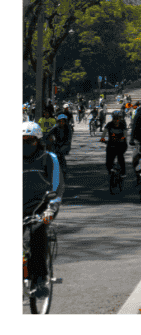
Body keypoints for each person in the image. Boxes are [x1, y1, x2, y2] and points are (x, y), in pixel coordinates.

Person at [23, 121, 63, 299]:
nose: (25, 145)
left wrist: (50, 208)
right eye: (21, 140)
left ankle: (40, 279)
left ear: (38, 141)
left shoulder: (49, 159)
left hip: (41, 208)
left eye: (29, 141)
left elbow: (57, 186)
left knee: (37, 231)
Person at [101, 109, 130, 181]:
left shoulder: (122, 125)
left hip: (121, 144)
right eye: (114, 118)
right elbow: (104, 133)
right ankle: (111, 170)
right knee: (108, 161)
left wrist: (122, 139)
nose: (116, 120)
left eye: (118, 118)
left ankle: (123, 173)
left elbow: (125, 134)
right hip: (111, 144)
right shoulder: (109, 124)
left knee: (120, 157)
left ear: (120, 118)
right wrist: (102, 139)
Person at [45, 114, 73, 178]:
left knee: (60, 154)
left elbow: (69, 139)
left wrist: (64, 145)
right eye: (60, 121)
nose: (61, 123)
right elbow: (48, 134)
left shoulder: (68, 128)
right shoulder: (55, 127)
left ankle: (64, 170)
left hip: (65, 145)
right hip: (56, 144)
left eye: (63, 121)